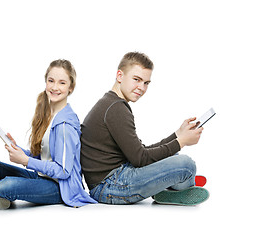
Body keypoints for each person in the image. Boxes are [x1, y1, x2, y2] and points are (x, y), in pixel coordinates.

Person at [0, 59, 97, 210]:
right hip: (41, 177)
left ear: (71, 88)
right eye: (51, 81)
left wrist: (26, 161)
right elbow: (45, 159)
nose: (54, 87)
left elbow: (63, 171)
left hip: (60, 188)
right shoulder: (50, 116)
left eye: (62, 83)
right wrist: (19, 151)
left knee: (7, 185)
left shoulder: (65, 124)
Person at [80, 52, 209, 205]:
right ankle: (180, 187)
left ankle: (174, 187)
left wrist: (177, 135)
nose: (141, 88)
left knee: (173, 154)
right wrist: (181, 141)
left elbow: (140, 152)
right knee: (186, 165)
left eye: (146, 83)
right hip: (109, 187)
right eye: (136, 79)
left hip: (113, 179)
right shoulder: (116, 108)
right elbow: (141, 158)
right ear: (120, 76)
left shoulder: (112, 103)